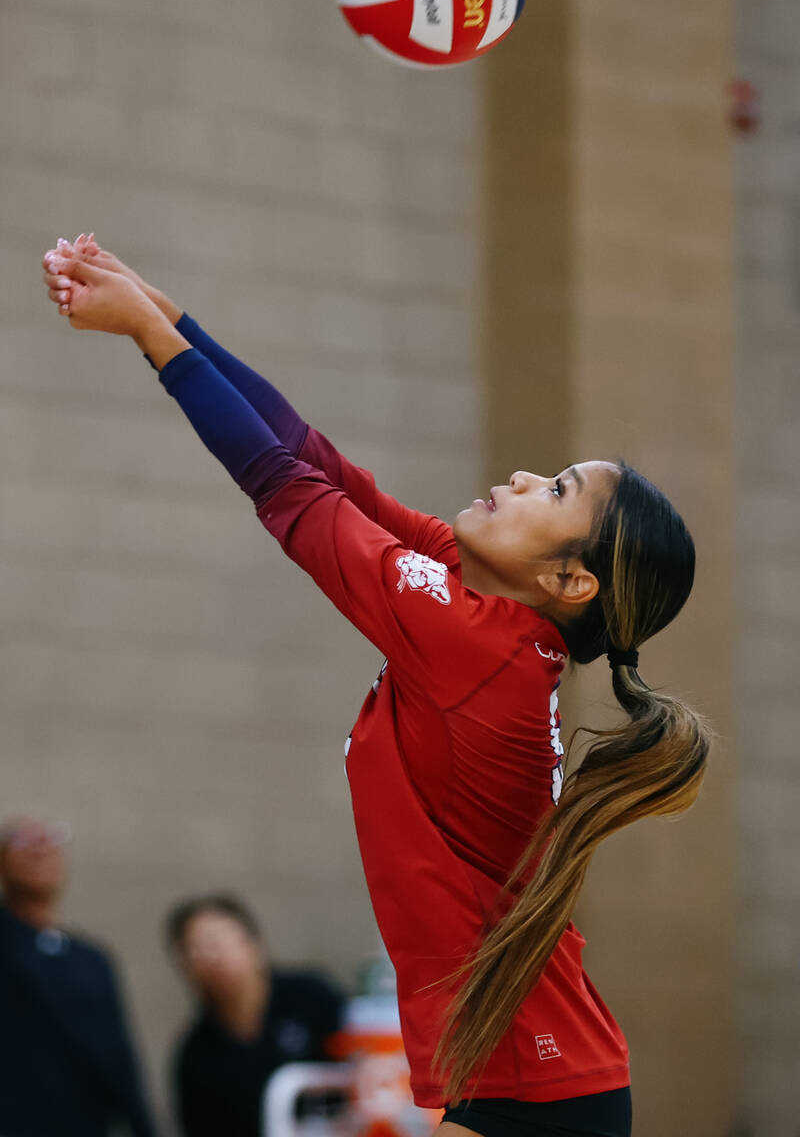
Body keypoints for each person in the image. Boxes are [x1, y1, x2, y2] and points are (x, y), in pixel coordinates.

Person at [42, 235, 714, 1137]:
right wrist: (162, 316)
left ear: (571, 583)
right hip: (523, 1080)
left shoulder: (479, 649)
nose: (521, 477)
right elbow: (316, 459)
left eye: (553, 491)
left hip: (537, 1088)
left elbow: (284, 488)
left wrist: (156, 343)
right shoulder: (477, 601)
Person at [0, 816, 158, 1137]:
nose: (40, 849)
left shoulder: (92, 959)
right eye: (21, 841)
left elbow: (121, 1057)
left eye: (51, 840)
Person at [165, 893, 345, 1137]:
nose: (211, 957)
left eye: (217, 942)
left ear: (253, 943)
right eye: (195, 949)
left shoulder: (312, 997)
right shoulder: (196, 1055)